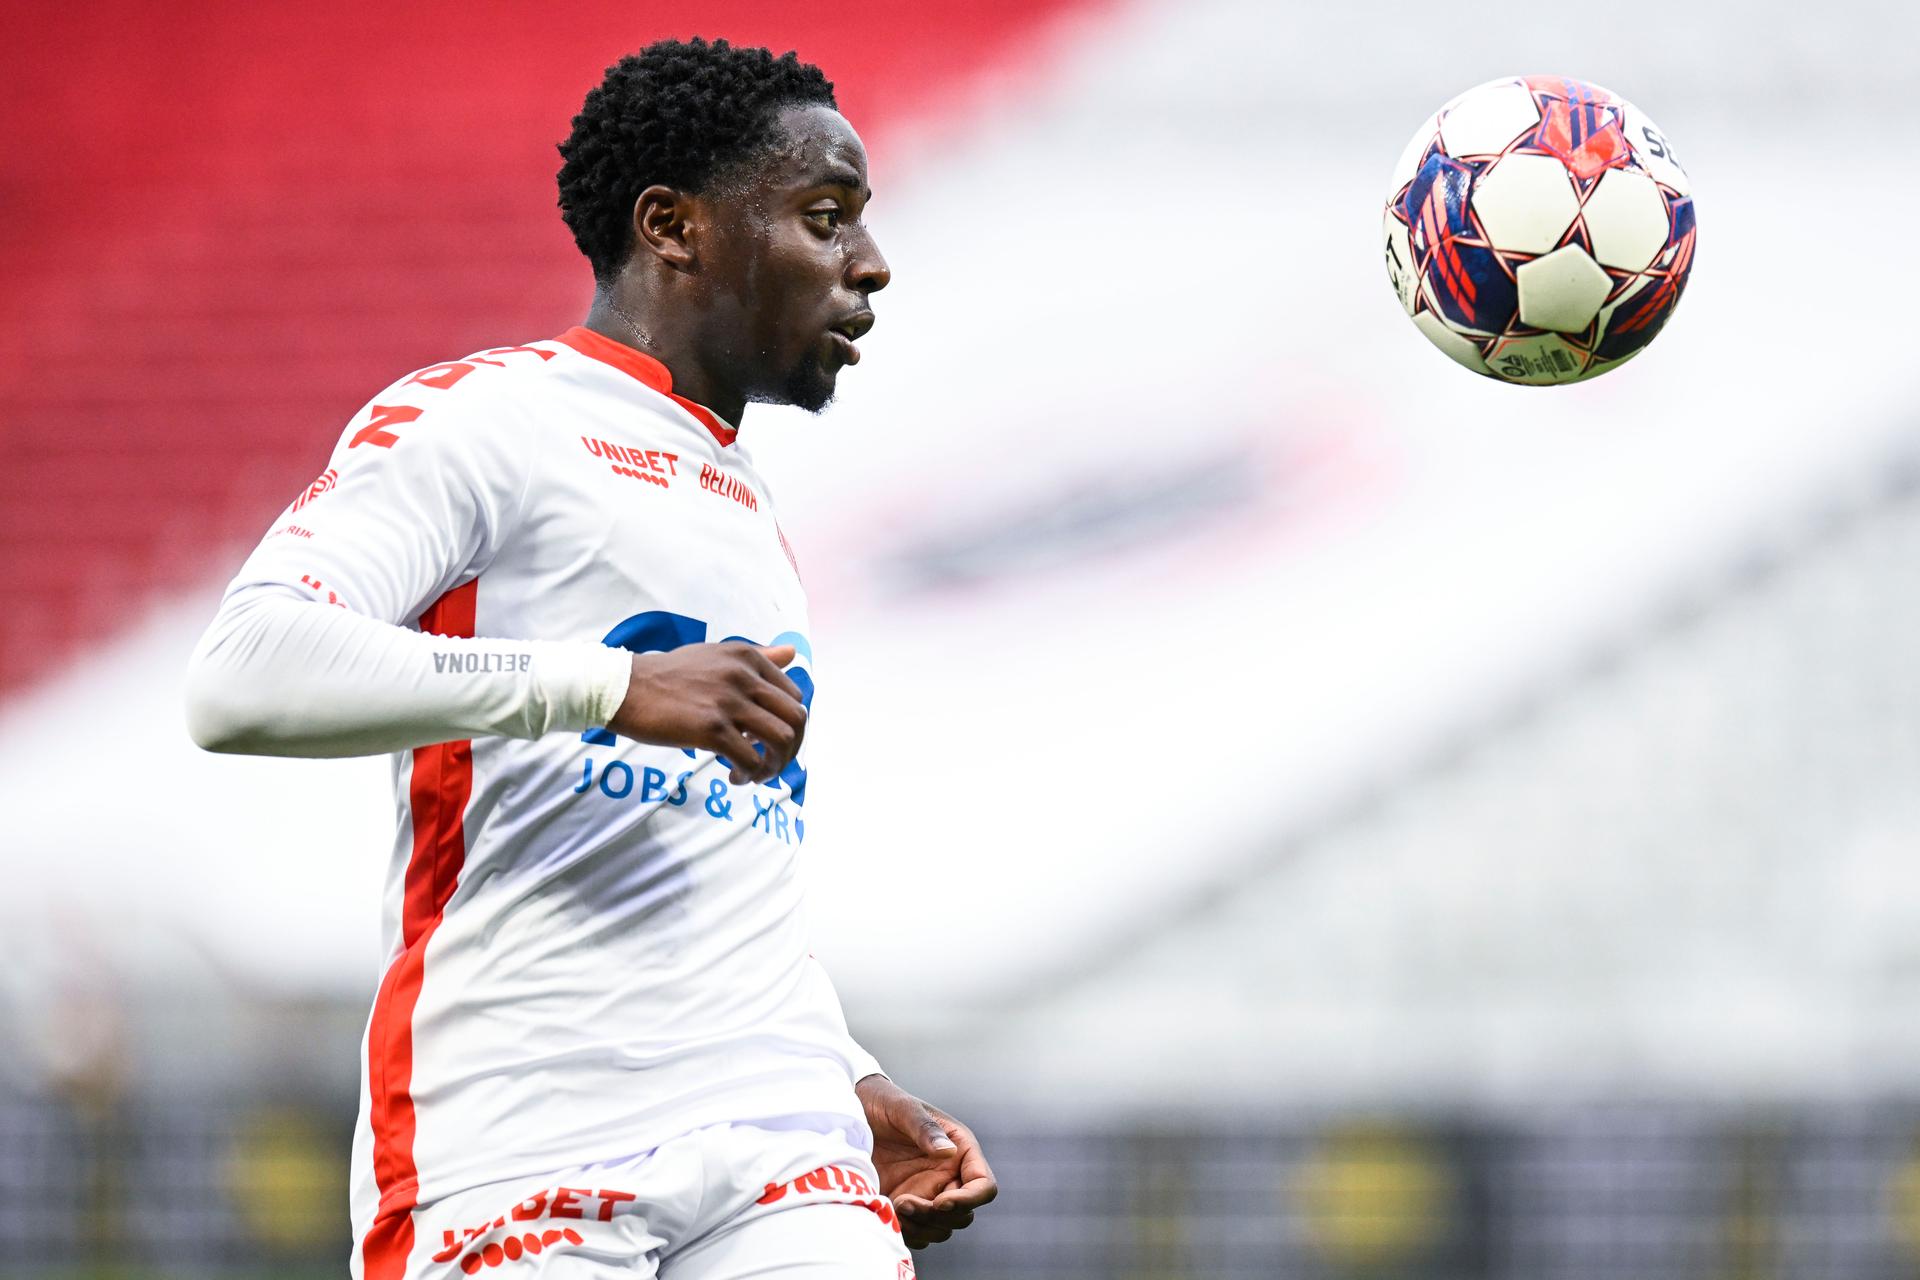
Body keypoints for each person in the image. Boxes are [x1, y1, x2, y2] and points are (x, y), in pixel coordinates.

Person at [186, 37, 995, 1280]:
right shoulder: (488, 419)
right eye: (826, 218)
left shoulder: (749, 505)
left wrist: (847, 1071)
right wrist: (607, 685)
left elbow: (720, 846)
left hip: (777, 1144)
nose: (871, 262)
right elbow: (241, 674)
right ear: (672, 226)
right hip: (521, 1140)